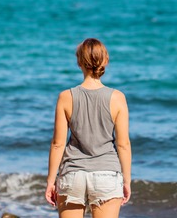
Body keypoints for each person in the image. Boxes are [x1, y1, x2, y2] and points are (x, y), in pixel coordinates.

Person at [45, 38, 132, 218]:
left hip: (73, 174)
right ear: (105, 61)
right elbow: (123, 145)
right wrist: (127, 180)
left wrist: (50, 181)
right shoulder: (117, 97)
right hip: (106, 174)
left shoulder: (66, 97)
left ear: (79, 62)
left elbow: (57, 144)